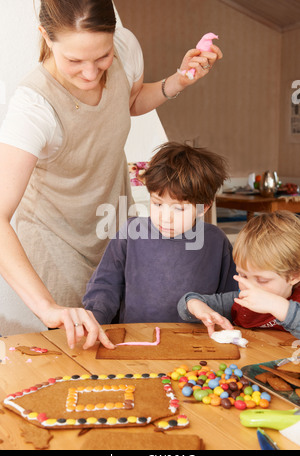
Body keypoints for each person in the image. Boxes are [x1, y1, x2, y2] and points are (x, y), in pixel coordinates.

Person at [0, 0, 223, 349]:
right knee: (84, 345)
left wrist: (178, 80)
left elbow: (130, 102)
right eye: (74, 61)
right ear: (45, 36)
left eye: (101, 58)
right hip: (59, 239)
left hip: (115, 223)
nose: (91, 74)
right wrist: (48, 308)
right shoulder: (33, 107)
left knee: (126, 335)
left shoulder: (126, 47)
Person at [83, 142, 238, 324]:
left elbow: (230, 299)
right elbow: (105, 285)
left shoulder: (216, 242)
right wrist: (95, 318)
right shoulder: (131, 233)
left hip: (196, 344)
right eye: (157, 204)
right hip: (137, 340)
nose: (166, 218)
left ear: (203, 207)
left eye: (179, 209)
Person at [178, 211, 300, 339]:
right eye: (243, 276)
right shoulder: (240, 300)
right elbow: (187, 302)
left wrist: (279, 307)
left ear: (294, 276)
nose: (249, 287)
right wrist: (197, 307)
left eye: (262, 280)